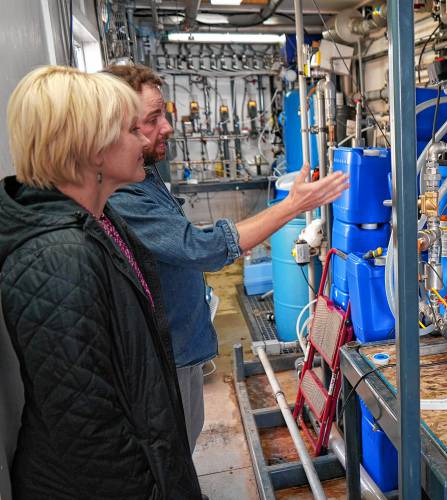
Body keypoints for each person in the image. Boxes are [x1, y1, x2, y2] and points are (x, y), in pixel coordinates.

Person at [104, 64, 348, 453]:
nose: (168, 127)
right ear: (115, 128)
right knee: (174, 453)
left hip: (184, 342)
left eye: (164, 113)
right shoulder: (122, 194)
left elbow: (187, 244)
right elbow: (201, 248)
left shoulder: (144, 173)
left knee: (186, 439)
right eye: (153, 119)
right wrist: (294, 205)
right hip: (168, 352)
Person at [0, 66, 201, 499]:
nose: (146, 140)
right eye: (132, 129)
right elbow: (87, 427)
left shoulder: (101, 221)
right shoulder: (57, 257)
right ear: (93, 149)